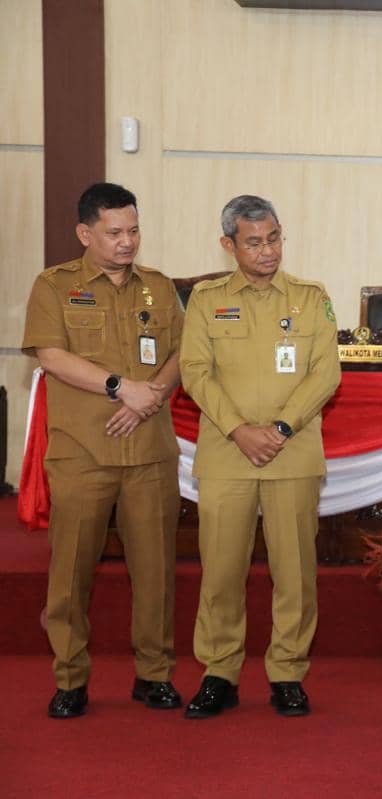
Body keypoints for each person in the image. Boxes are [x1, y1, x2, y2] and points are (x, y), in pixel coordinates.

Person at [22, 182, 183, 718]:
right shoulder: (55, 286)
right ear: (85, 233)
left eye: (134, 230)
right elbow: (51, 355)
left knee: (156, 572)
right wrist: (121, 387)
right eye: (114, 232)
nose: (127, 241)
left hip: (150, 452)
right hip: (82, 453)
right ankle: (70, 678)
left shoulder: (159, 288)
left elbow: (185, 354)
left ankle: (154, 675)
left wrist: (150, 395)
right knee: (70, 573)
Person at [179, 195, 340, 719]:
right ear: (229, 245)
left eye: (274, 238)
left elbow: (326, 372)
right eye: (254, 241)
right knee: (221, 572)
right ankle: (219, 673)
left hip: (291, 454)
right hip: (227, 456)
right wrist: (239, 430)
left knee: (295, 573)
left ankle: (288, 674)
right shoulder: (205, 299)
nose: (267, 250)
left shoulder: (311, 297)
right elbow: (195, 372)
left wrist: (279, 427)